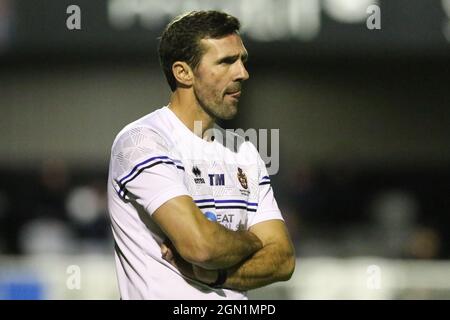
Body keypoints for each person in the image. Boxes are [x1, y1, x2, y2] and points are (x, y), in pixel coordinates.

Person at [107, 10, 295, 300]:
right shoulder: (141, 141)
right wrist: (255, 241)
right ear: (183, 73)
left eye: (242, 60)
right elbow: (200, 247)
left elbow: (283, 259)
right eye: (226, 62)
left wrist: (218, 274)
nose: (242, 73)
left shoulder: (243, 150)